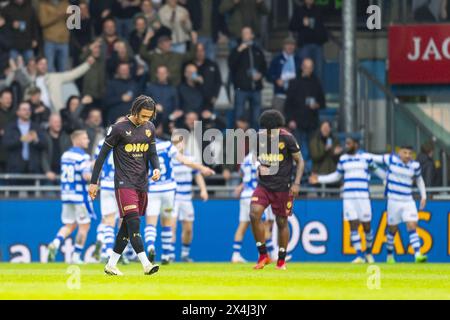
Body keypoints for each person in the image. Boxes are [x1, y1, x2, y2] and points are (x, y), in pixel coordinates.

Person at [89, 95, 161, 276]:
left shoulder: (149, 128)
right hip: (124, 183)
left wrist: (157, 169)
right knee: (134, 222)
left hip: (141, 183)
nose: (145, 120)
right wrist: (93, 182)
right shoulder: (118, 129)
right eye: (143, 116)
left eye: (149, 117)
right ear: (135, 110)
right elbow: (101, 156)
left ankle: (111, 265)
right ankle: (146, 264)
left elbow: (152, 152)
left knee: (127, 227)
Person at [309, 137, 386, 264]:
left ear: (356, 144)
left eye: (349, 143)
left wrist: (388, 179)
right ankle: (360, 256)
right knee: (353, 225)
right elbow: (337, 176)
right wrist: (320, 179)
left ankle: (368, 252)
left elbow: (378, 171)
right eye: (346, 143)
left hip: (363, 197)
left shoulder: (365, 158)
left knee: (367, 227)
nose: (346, 145)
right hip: (349, 197)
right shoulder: (343, 159)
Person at [144, 137, 214, 265]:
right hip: (170, 192)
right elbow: (185, 162)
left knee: (153, 223)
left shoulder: (143, 147)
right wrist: (203, 168)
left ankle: (151, 247)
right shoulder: (167, 147)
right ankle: (167, 254)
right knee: (168, 224)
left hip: (158, 190)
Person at [250, 109, 304, 270]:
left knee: (281, 222)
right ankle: (263, 255)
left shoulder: (287, 138)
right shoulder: (258, 137)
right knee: (254, 214)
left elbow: (299, 161)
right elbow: (253, 156)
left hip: (283, 187)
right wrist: (259, 166)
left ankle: (281, 260)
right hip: (264, 186)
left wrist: (297, 183)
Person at [371, 146, 428, 263]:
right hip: (393, 201)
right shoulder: (391, 161)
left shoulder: (415, 166)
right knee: (392, 229)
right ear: (399, 153)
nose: (407, 155)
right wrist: (361, 156)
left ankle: (418, 254)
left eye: (410, 153)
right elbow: (374, 158)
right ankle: (390, 256)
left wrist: (424, 195)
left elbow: (419, 179)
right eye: (405, 152)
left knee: (412, 225)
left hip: (408, 200)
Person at [47, 130, 94, 264]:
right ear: (77, 140)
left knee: (69, 225)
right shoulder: (83, 156)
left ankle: (55, 244)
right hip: (80, 196)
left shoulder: (66, 155)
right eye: (85, 138)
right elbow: (86, 176)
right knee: (84, 226)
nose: (88, 141)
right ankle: (76, 256)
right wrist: (97, 178)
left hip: (67, 194)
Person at [232, 150, 275, 263]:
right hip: (255, 195)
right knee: (264, 225)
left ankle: (235, 255)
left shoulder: (246, 158)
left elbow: (242, 174)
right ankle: (270, 254)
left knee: (243, 225)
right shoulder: (261, 158)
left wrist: (241, 186)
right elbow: (259, 175)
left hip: (245, 195)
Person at [171, 134, 209, 262]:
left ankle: (185, 254)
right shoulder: (170, 158)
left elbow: (197, 175)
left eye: (180, 142)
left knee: (188, 228)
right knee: (172, 226)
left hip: (186, 197)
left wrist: (203, 190)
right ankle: (169, 254)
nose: (178, 144)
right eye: (175, 142)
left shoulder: (190, 158)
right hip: (173, 197)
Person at [285, 58, 325, 165]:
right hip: (297, 122)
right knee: (300, 150)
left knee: (311, 150)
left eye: (310, 67)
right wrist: (290, 120)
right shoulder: (294, 82)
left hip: (312, 122)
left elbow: (322, 101)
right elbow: (288, 104)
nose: (308, 70)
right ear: (302, 67)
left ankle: (308, 174)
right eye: (306, 67)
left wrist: (317, 105)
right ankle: (301, 174)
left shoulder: (316, 82)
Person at [228, 27, 267, 129]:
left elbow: (264, 67)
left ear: (252, 35)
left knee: (256, 118)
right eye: (243, 33)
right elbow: (231, 64)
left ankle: (255, 141)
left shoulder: (258, 50)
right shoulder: (236, 49)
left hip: (256, 88)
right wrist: (239, 50)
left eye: (247, 33)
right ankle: (238, 142)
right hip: (241, 88)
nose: (245, 35)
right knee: (239, 117)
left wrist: (260, 75)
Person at [3, 101, 46, 174]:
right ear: (18, 112)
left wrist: (36, 140)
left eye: (29, 109)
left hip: (33, 168)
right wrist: (20, 139)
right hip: (15, 167)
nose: (27, 112)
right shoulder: (11, 127)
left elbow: (44, 144)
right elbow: (6, 144)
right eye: (24, 109)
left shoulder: (36, 127)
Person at [289, 0, 328, 81]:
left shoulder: (319, 10)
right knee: (304, 70)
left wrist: (323, 38)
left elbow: (323, 25)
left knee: (319, 71)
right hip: (304, 45)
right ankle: (303, 91)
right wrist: (302, 23)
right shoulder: (299, 10)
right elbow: (291, 26)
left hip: (318, 44)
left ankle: (317, 92)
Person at [267, 36, 299, 112]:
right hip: (279, 95)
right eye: (288, 44)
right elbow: (269, 75)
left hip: (295, 96)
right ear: (284, 46)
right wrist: (276, 80)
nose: (290, 47)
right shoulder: (277, 60)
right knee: (277, 121)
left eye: (292, 45)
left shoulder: (298, 60)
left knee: (293, 122)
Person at [39, 0, 71, 72]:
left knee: (64, 69)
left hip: (64, 40)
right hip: (50, 40)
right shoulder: (44, 5)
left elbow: (73, 23)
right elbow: (43, 22)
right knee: (49, 69)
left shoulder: (65, 3)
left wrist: (71, 16)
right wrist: (58, 15)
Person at [144, 65, 179, 132]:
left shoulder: (173, 89)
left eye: (164, 73)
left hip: (168, 124)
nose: (162, 75)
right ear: (156, 74)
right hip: (151, 123)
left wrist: (171, 122)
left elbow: (176, 108)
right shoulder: (150, 87)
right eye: (160, 73)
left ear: (167, 74)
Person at [193, 42, 222, 116]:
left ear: (205, 51)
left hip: (208, 99)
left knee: (208, 123)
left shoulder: (212, 64)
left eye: (202, 50)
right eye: (198, 51)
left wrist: (215, 96)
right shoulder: (190, 64)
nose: (200, 53)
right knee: (196, 125)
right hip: (193, 100)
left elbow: (218, 81)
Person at [41, 113, 71, 183]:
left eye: (59, 122)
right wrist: (47, 171)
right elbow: (43, 156)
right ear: (49, 123)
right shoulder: (43, 137)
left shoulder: (66, 137)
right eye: (55, 122)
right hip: (48, 176)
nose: (58, 124)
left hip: (64, 175)